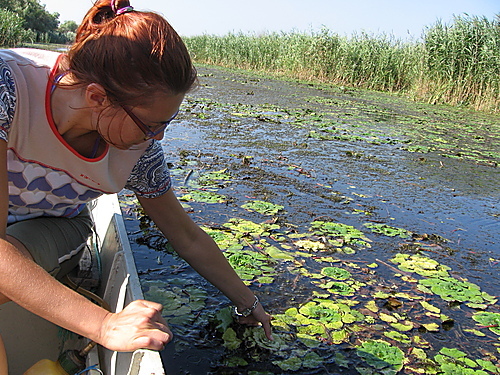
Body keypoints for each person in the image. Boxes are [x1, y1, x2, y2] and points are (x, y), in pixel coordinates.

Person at [0, 0, 272, 371]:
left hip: (56, 225)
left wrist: (247, 302)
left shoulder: (140, 155)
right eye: (150, 125)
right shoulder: (9, 88)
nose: (158, 137)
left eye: (167, 123)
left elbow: (186, 236)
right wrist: (104, 324)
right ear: (97, 97)